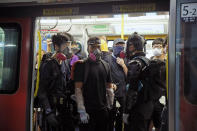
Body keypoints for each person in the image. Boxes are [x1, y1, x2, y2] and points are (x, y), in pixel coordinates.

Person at [73, 37, 114, 131]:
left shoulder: (106, 65)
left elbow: (109, 88)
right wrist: (81, 111)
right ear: (88, 48)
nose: (96, 50)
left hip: (102, 110)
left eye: (98, 47)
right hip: (88, 110)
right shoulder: (81, 65)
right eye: (92, 47)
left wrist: (109, 106)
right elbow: (78, 90)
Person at [37, 34, 75, 131]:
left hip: (63, 107)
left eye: (69, 45)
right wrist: (48, 112)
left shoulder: (65, 63)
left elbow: (67, 84)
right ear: (56, 47)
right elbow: (42, 91)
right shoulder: (48, 65)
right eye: (65, 46)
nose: (68, 49)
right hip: (52, 107)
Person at [123, 32, 154, 131]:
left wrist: (126, 111)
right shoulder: (147, 61)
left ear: (132, 46)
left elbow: (131, 90)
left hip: (137, 109)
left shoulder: (134, 63)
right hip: (148, 107)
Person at [103, 38, 127, 131]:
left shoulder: (126, 59)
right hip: (110, 94)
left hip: (122, 94)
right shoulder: (106, 59)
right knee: (109, 119)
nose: (120, 47)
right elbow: (103, 76)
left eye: (122, 46)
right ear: (113, 46)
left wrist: (123, 65)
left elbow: (129, 76)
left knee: (120, 120)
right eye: (118, 45)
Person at [148, 38, 167, 131]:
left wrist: (164, 95)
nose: (157, 48)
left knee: (160, 123)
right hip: (150, 97)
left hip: (162, 97)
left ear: (163, 48)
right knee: (149, 121)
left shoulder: (167, 63)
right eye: (155, 46)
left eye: (160, 47)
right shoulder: (148, 62)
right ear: (152, 47)